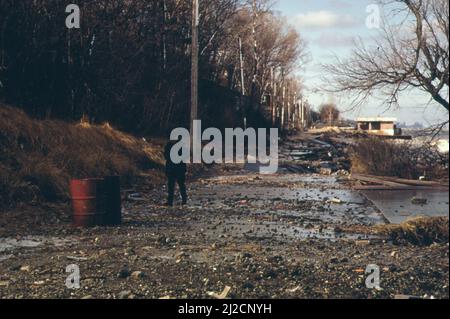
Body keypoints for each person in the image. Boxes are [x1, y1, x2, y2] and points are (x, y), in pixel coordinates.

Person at [164, 136, 187, 206]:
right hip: (175, 168)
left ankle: (182, 200)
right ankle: (172, 201)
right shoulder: (180, 146)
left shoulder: (171, 145)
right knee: (173, 185)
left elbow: (166, 156)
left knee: (179, 184)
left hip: (176, 168)